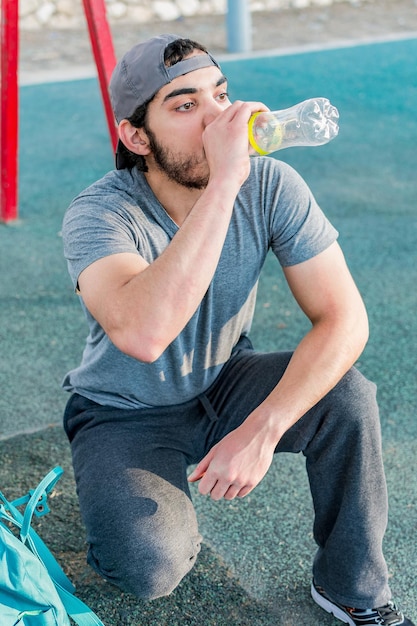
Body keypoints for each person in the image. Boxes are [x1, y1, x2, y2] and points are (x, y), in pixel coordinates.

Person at [61, 34, 414, 626]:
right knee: (149, 567)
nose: (219, 118)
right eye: (184, 105)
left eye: (220, 95)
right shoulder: (99, 214)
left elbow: (345, 319)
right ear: (135, 137)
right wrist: (224, 183)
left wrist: (264, 426)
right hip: (124, 408)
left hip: (226, 380)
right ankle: (117, 506)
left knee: (347, 397)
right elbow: (144, 337)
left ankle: (353, 589)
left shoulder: (271, 184)